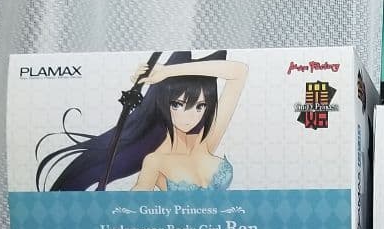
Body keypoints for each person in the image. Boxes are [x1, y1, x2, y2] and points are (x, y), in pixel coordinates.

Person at [36, 50, 247, 191]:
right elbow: (135, 203)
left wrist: (167, 71)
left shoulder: (208, 140)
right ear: (164, 104)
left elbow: (239, 72)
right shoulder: (155, 160)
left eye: (200, 106)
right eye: (178, 104)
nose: (190, 116)